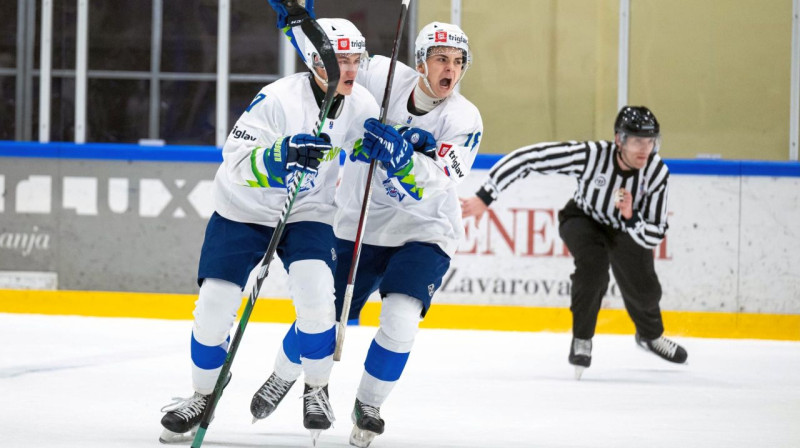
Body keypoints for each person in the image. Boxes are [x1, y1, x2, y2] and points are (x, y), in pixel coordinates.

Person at [249, 21, 483, 448]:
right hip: (359, 223)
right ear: (420, 62)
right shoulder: (382, 75)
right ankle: (282, 375)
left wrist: (402, 158)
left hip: (424, 230)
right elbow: (335, 57)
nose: (450, 70)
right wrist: (301, 25)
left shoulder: (464, 118)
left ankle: (368, 405)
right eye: (441, 59)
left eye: (458, 62)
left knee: (401, 318)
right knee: (320, 314)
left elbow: (440, 178)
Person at [158, 18, 381, 444]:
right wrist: (282, 155)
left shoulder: (362, 103)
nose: (351, 68)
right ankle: (202, 396)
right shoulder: (278, 99)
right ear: (318, 63)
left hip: (308, 212)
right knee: (213, 309)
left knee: (318, 299)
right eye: (342, 60)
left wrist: (379, 146)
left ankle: (316, 389)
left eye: (357, 59)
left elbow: (362, 142)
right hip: (242, 210)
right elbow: (235, 159)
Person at [460, 106, 688, 379]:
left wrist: (630, 218)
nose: (645, 148)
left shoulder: (656, 172)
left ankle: (650, 336)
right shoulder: (592, 156)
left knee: (645, 288)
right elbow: (530, 158)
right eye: (637, 140)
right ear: (619, 139)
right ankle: (582, 340)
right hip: (583, 219)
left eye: (651, 141)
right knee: (593, 268)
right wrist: (486, 196)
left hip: (628, 227)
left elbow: (656, 232)